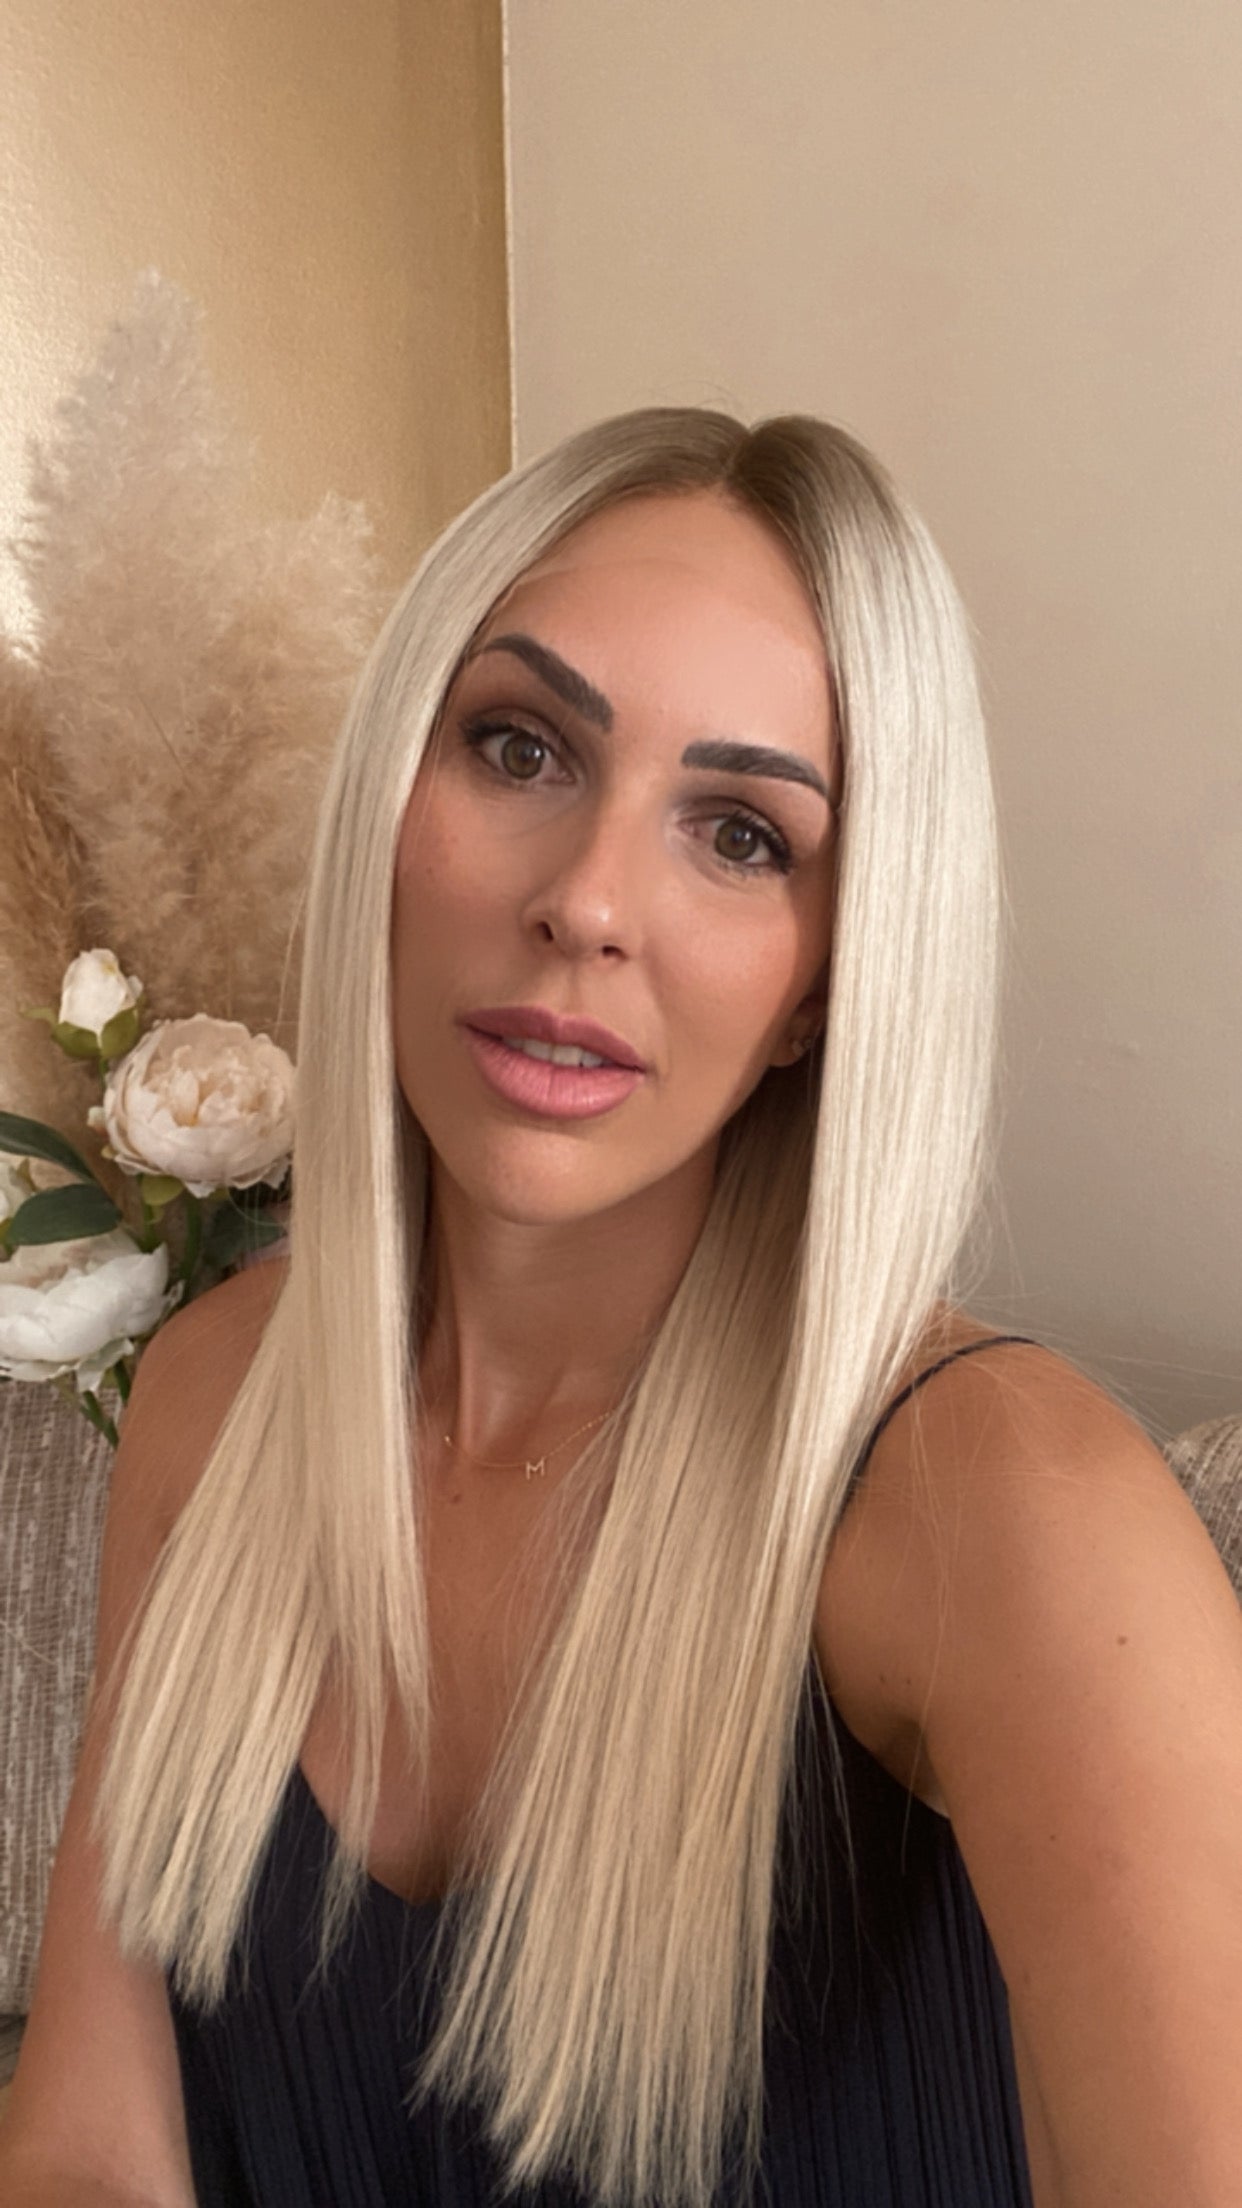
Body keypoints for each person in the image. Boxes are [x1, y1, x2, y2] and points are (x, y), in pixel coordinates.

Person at [2, 408, 1239, 2208]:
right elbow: (88, 2149)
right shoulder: (209, 1396)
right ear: (389, 803)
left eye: (740, 834)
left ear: (825, 981)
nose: (586, 901)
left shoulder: (1004, 1506)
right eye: (519, 747)